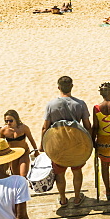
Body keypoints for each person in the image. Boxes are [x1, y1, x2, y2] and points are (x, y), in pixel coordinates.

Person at [41, 76, 93, 207]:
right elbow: (87, 126)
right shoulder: (80, 104)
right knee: (76, 171)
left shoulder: (51, 105)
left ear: (58, 87)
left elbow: (44, 127)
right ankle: (76, 198)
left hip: (57, 145)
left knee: (60, 173)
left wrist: (42, 145)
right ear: (72, 86)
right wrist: (90, 143)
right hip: (77, 144)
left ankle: (63, 199)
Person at [1, 110, 36, 177]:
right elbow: (1, 143)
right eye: (6, 121)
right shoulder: (3, 130)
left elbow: (31, 139)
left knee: (23, 175)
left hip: (24, 153)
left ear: (16, 119)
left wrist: (36, 151)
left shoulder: (24, 128)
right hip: (13, 154)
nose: (8, 123)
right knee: (16, 176)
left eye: (11, 121)